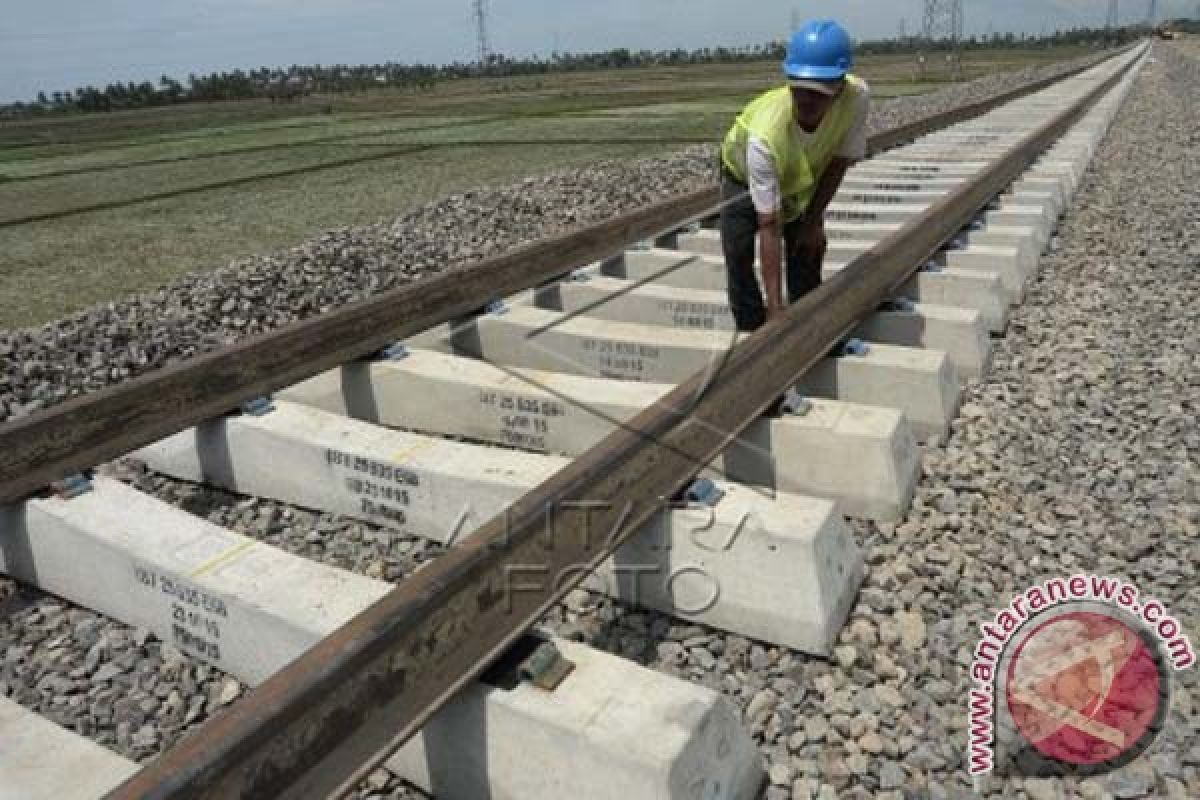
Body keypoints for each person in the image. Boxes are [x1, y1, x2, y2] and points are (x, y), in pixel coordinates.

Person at [719, 19, 870, 332]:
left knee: (807, 245)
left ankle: (806, 322)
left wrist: (813, 222)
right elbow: (769, 225)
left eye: (819, 91)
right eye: (799, 88)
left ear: (840, 86)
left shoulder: (856, 99)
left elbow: (838, 163)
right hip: (742, 176)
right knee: (738, 251)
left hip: (798, 176)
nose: (807, 100)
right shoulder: (766, 135)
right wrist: (775, 312)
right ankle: (753, 327)